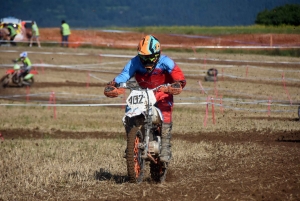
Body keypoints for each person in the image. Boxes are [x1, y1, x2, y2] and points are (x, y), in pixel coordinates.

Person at [103, 35, 186, 162]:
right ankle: (131, 143)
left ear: (157, 54)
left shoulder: (166, 61)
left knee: (165, 112)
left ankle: (165, 147)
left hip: (162, 93)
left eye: (150, 57)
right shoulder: (134, 62)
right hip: (142, 93)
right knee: (130, 111)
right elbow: (124, 75)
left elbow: (179, 76)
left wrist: (177, 84)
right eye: (143, 58)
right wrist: (114, 84)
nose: (146, 61)